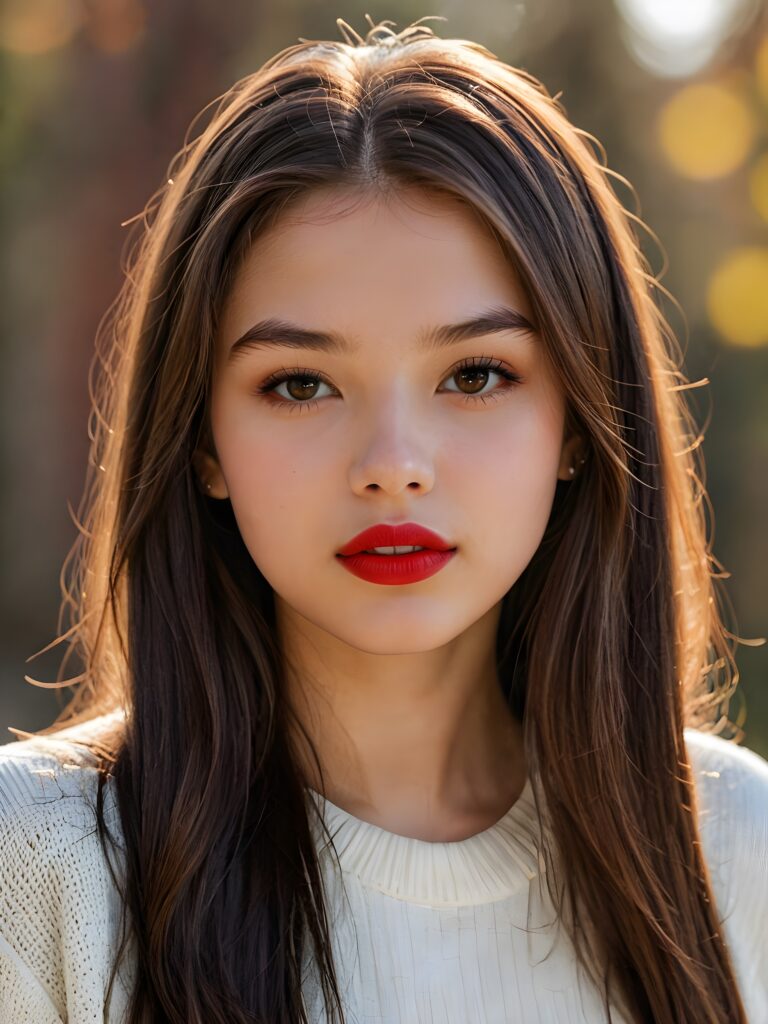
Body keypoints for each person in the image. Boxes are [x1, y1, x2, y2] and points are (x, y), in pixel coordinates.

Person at [0, 15, 766, 1024]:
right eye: (301, 384)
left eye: (476, 374)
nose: (393, 466)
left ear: (581, 419)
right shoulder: (41, 866)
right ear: (201, 440)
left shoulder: (737, 847)